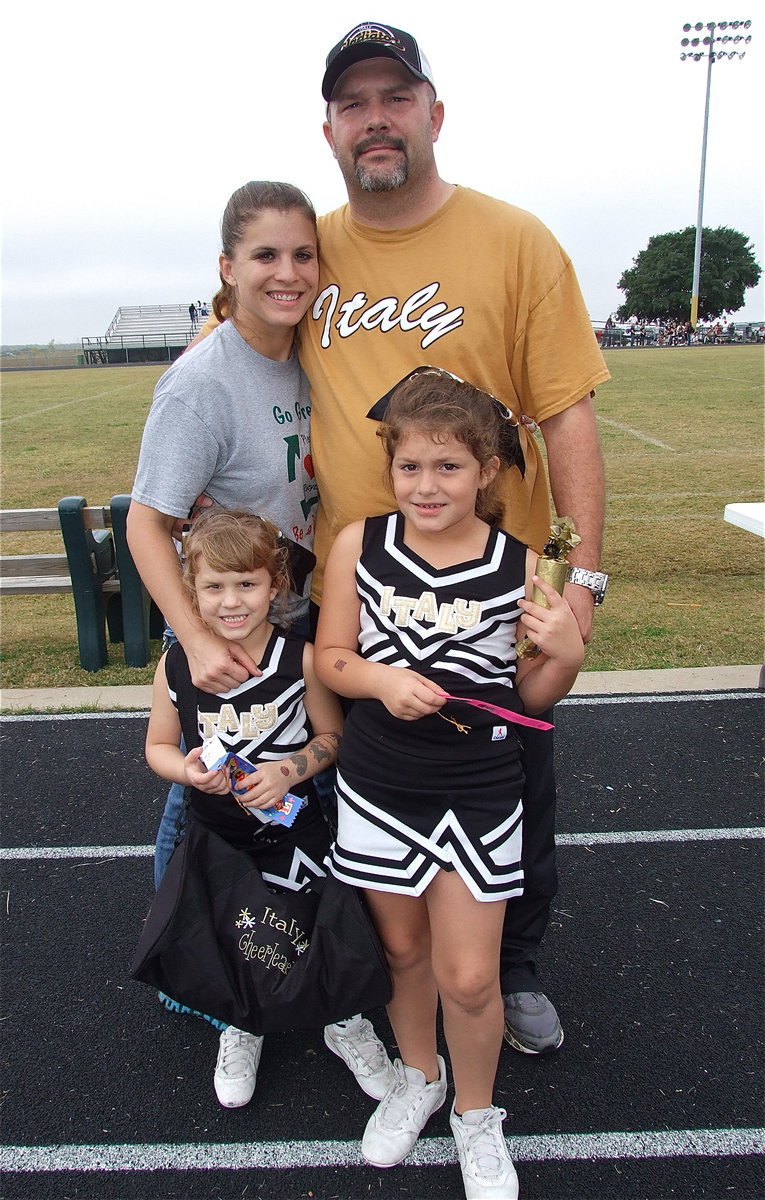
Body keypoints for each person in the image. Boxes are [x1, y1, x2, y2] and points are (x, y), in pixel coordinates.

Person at [195, 20, 611, 1057]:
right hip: (357, 594)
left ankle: (507, 971)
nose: (375, 119)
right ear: (329, 129)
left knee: (512, 790)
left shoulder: (514, 240)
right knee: (355, 802)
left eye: (395, 97)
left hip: (492, 590)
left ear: (435, 113)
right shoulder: (313, 250)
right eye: (354, 104)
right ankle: (372, 990)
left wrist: (585, 583)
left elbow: (566, 416)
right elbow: (231, 343)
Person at [128, 181, 396, 1104]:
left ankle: (312, 980)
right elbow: (145, 524)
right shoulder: (203, 380)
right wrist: (196, 636)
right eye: (265, 256)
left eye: (302, 255)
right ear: (227, 268)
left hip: (298, 624)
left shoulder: (307, 354)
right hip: (234, 638)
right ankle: (205, 978)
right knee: (205, 817)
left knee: (297, 813)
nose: (287, 274)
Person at [314, 370, 585, 1198]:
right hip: (379, 782)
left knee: (469, 975)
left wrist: (565, 660)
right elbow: (326, 658)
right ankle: (417, 1076)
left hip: (477, 787)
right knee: (403, 952)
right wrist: (377, 682)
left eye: (449, 468)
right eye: (410, 467)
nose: (426, 486)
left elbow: (527, 702)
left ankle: (475, 1115)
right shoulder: (358, 546)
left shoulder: (524, 565)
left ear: (489, 471)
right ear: (389, 468)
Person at [145, 508, 344, 1108]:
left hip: (294, 828)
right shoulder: (175, 665)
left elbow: (335, 739)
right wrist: (186, 770)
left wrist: (289, 770)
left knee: (311, 919)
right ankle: (243, 1023)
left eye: (247, 584)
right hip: (219, 833)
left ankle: (343, 1017)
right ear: (190, 591)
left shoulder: (300, 657)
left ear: (274, 584)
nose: (232, 601)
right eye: (214, 587)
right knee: (237, 927)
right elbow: (157, 747)